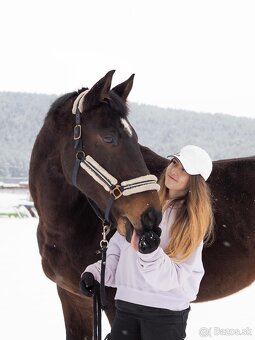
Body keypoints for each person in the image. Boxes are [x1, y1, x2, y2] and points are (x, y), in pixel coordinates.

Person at [80, 144, 214, 340]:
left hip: (165, 316)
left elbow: (173, 278)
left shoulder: (190, 224)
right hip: (126, 308)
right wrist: (95, 274)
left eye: (184, 170)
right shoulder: (141, 207)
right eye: (175, 163)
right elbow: (118, 253)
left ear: (195, 182)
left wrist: (151, 253)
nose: (175, 171)